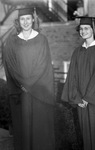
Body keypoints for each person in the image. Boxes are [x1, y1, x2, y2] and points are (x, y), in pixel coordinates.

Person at [2, 7, 55, 150]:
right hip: (20, 93)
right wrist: (22, 84)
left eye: (28, 18)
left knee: (39, 129)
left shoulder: (41, 40)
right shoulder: (12, 42)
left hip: (37, 93)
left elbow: (43, 65)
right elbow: (10, 65)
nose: (25, 22)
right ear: (18, 21)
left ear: (33, 19)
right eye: (22, 19)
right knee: (22, 130)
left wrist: (28, 85)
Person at [61, 16, 95, 150]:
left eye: (86, 28)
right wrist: (77, 97)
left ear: (94, 30)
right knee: (86, 138)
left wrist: (87, 98)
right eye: (81, 29)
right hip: (81, 103)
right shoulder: (77, 52)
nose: (83, 31)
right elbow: (72, 76)